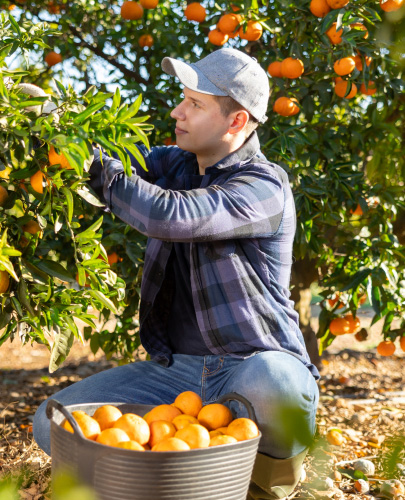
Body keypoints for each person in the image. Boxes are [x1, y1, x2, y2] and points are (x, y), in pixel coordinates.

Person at [33, 48, 320, 500]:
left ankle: (264, 479)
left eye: (195, 104)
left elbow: (170, 215)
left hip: (251, 367)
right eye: (182, 98)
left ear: (236, 122)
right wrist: (52, 122)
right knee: (54, 423)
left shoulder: (265, 186)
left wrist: (98, 171)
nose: (177, 111)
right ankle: (176, 471)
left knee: (275, 385)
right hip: (178, 374)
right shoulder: (176, 165)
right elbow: (114, 161)